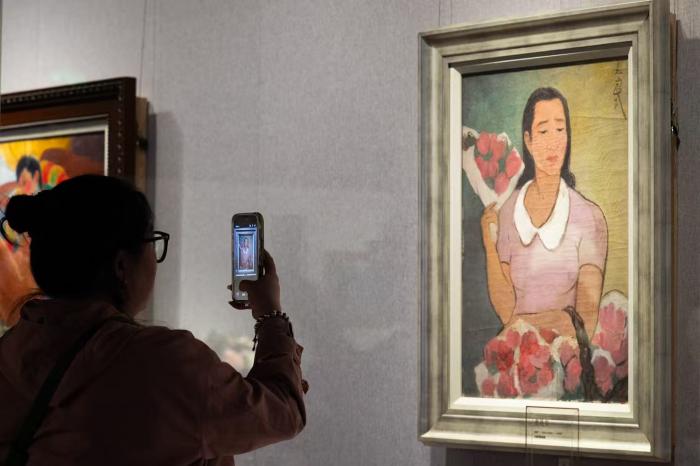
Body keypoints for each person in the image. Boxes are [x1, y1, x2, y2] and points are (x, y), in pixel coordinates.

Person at [0, 175, 306, 465]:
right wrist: (269, 313)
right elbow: (283, 411)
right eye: (152, 243)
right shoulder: (166, 365)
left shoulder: (9, 351)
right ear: (122, 266)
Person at [481, 87, 608, 339]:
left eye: (560, 130)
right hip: (515, 355)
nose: (553, 142)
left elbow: (584, 322)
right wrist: (489, 243)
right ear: (528, 140)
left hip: (568, 357)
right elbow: (506, 311)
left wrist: (521, 324)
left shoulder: (589, 217)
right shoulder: (508, 212)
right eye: (543, 131)